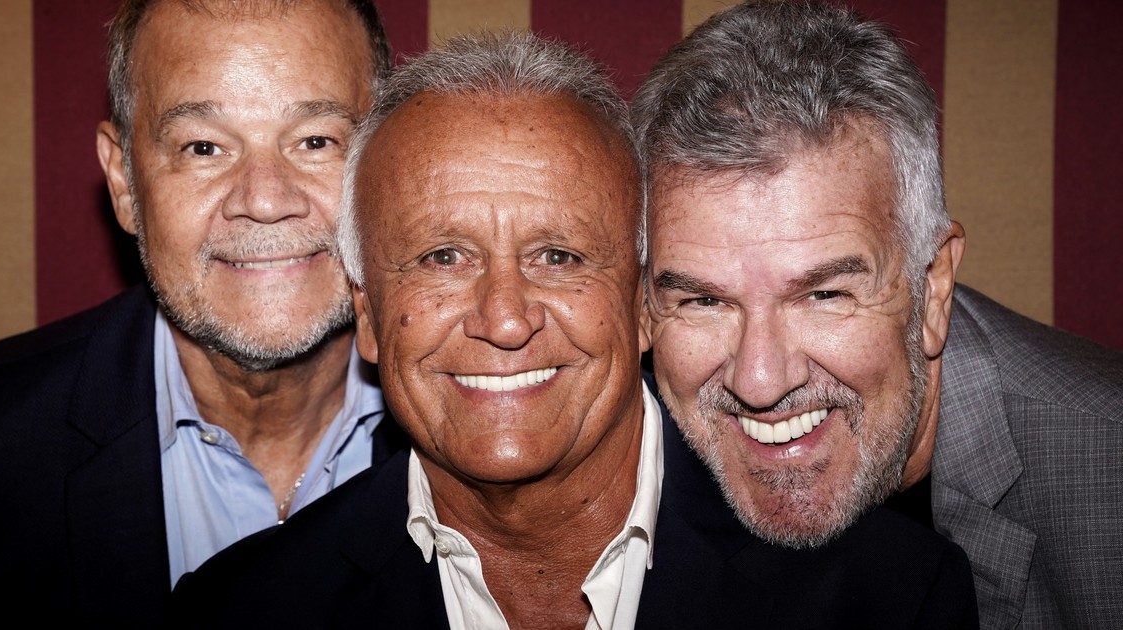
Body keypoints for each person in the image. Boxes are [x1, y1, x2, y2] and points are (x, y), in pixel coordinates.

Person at [168, 30, 978, 629]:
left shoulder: (887, 595)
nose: (505, 318)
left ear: (642, 302)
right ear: (369, 315)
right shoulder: (243, 610)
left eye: (558, 256)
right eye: (443, 257)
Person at [633, 1, 1123, 628]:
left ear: (933, 290)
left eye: (824, 295)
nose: (759, 382)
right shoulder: (622, 466)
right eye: (704, 301)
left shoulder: (1107, 477)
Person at [0, 0, 401, 624]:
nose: (264, 201)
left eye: (316, 141)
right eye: (204, 147)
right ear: (124, 181)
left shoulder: (492, 436)